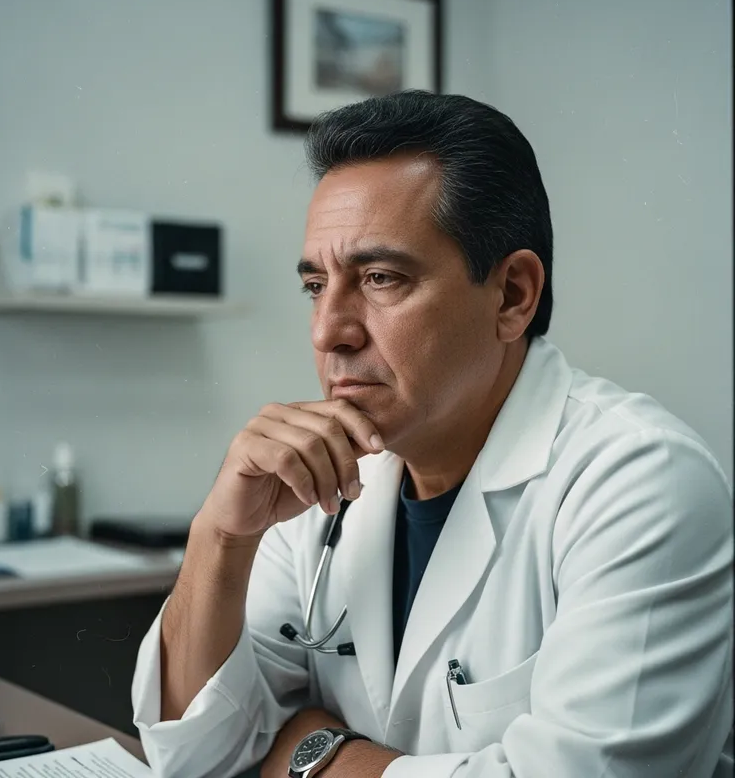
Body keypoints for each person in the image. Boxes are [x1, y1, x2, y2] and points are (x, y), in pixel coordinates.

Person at [131, 91, 733, 778]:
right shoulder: (323, 481)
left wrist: (310, 754)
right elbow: (193, 756)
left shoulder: (641, 480)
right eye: (314, 286)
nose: (329, 331)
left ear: (512, 295)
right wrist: (220, 537)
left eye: (381, 278)